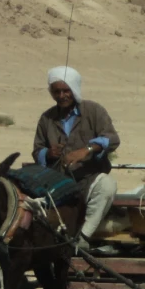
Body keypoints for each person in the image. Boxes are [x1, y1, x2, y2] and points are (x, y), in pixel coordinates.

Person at [32, 65, 120, 250]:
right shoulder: (47, 118)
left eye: (66, 90)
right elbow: (37, 150)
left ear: (74, 89)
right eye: (57, 91)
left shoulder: (93, 111)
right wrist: (47, 154)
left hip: (88, 179)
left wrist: (87, 149)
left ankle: (83, 238)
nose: (62, 95)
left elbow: (112, 139)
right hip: (57, 183)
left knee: (107, 186)